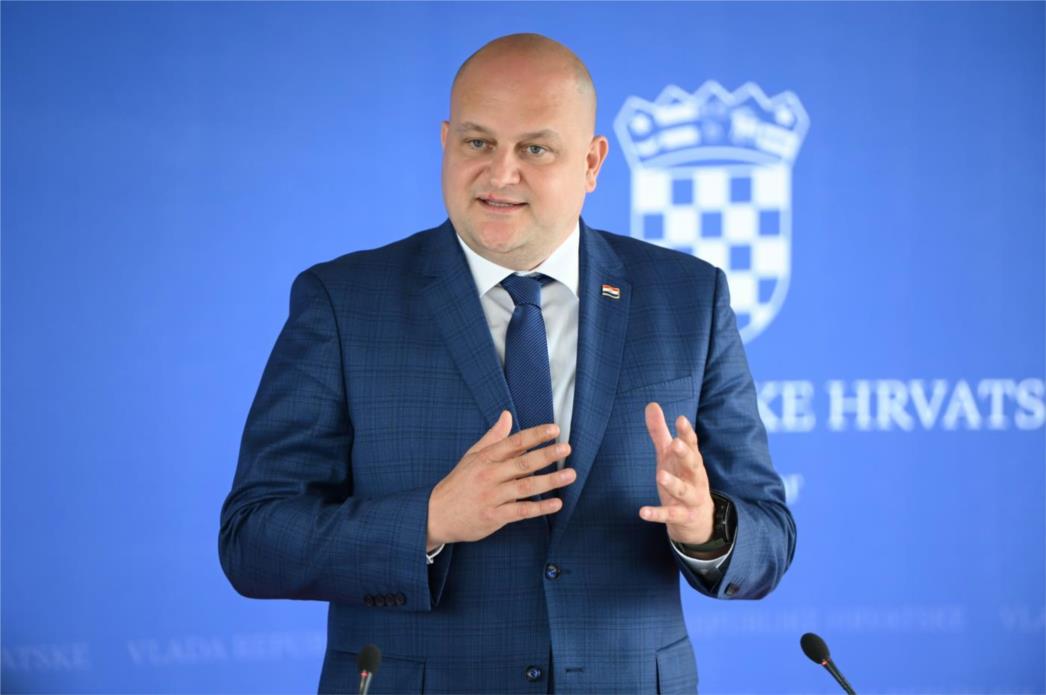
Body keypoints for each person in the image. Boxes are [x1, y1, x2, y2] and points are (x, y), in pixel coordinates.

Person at [219, 33, 796, 694]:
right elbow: (253, 540)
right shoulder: (344, 301)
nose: (499, 174)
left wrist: (707, 527)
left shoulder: (690, 298)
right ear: (445, 142)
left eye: (535, 149)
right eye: (477, 142)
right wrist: (430, 519)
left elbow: (770, 535)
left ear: (592, 162)